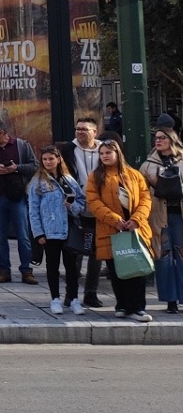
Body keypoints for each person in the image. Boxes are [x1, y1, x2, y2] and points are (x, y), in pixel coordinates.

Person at [87, 139, 154, 322]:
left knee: (137, 270)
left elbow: (145, 199)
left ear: (118, 153)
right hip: (111, 230)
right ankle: (122, 305)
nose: (105, 156)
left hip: (135, 230)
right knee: (117, 271)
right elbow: (93, 203)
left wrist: (136, 219)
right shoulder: (96, 177)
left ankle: (137, 308)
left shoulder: (134, 174)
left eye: (108, 153)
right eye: (102, 154)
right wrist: (115, 220)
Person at [27, 145, 87, 316]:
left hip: (69, 228)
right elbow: (33, 210)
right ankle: (55, 298)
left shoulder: (69, 180)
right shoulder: (37, 182)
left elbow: (82, 203)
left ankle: (74, 298)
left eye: (51, 159)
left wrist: (72, 206)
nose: (48, 162)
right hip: (50, 230)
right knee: (52, 266)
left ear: (58, 159)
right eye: (45, 159)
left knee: (71, 267)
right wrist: (38, 233)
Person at [0, 118, 38, 285]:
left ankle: (26, 270)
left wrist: (16, 168)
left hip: (18, 197)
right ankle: (4, 270)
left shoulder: (21, 146)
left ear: (1, 133)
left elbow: (35, 167)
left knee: (23, 235)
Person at [59, 117, 104, 308]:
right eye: (78, 129)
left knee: (97, 253)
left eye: (84, 129)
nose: (80, 132)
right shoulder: (68, 150)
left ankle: (91, 293)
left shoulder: (105, 150)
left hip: (100, 209)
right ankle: (71, 294)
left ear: (95, 131)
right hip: (76, 208)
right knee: (74, 252)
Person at [140, 128, 183, 314]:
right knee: (163, 257)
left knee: (181, 256)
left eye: (162, 138)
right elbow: (141, 191)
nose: (158, 141)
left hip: (179, 215)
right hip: (160, 216)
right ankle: (170, 300)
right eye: (156, 138)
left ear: (171, 139)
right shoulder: (148, 164)